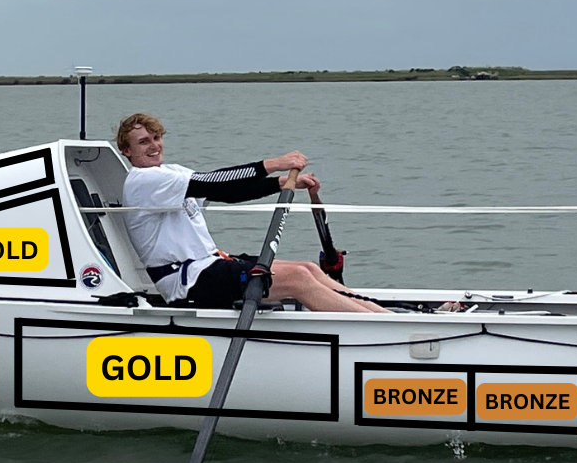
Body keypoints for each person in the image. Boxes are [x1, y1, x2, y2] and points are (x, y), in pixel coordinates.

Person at [113, 112, 391, 314]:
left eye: (156, 138)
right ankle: (376, 331)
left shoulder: (170, 172)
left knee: (307, 268)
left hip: (210, 266)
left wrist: (279, 183)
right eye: (143, 142)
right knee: (298, 280)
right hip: (188, 282)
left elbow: (228, 192)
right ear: (126, 151)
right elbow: (215, 181)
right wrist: (274, 164)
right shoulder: (142, 181)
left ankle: (386, 317)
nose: (153, 146)